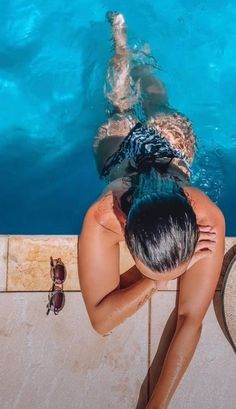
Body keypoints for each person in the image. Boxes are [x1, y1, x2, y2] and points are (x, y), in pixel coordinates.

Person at [78, 12, 225, 409]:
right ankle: (123, 44)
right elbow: (101, 322)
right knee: (121, 109)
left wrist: (155, 404)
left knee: (133, 106)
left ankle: (127, 47)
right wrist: (153, 281)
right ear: (126, 231)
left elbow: (189, 319)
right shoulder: (103, 216)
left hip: (168, 140)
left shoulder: (206, 215)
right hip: (131, 150)